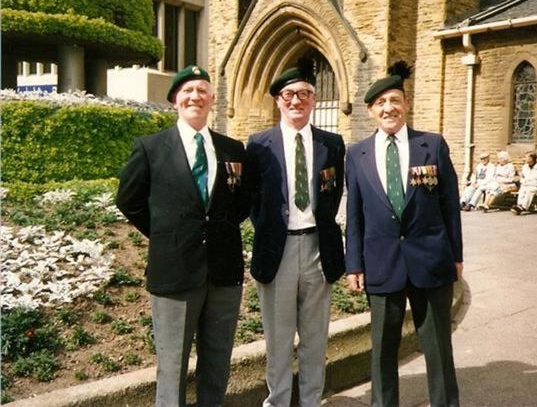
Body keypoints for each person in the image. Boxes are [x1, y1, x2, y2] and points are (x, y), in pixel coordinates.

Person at [116, 66, 250, 407]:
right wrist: (166, 234)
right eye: (188, 90)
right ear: (175, 100)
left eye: (202, 90)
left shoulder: (233, 149)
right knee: (173, 367)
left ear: (212, 99)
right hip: (174, 273)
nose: (195, 96)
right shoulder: (151, 148)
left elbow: (243, 202)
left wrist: (216, 232)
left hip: (223, 272)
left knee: (217, 364)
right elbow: (128, 200)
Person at [345, 61, 462, 407]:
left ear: (406, 104)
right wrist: (354, 265)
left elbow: (449, 207)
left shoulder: (432, 144)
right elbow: (354, 216)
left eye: (395, 100)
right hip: (381, 264)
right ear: (370, 111)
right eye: (380, 103)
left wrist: (456, 257)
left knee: (438, 346)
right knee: (382, 348)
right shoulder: (357, 154)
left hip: (430, 260)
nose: (388, 108)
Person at [246, 58, 345, 407]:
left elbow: (332, 194)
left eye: (304, 94)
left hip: (319, 248)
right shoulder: (258, 145)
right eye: (289, 95)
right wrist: (270, 232)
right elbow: (252, 198)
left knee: (316, 338)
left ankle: (311, 401)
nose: (296, 101)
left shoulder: (332, 144)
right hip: (279, 250)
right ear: (278, 100)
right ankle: (277, 401)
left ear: (313, 100)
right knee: (278, 338)